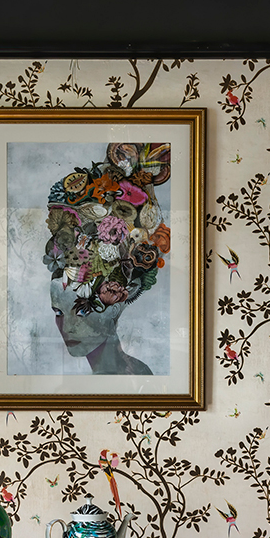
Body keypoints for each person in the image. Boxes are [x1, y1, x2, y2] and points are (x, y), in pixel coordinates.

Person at [42, 142, 170, 376]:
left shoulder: (135, 378)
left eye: (82, 311)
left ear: (120, 300)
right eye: (57, 312)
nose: (66, 328)